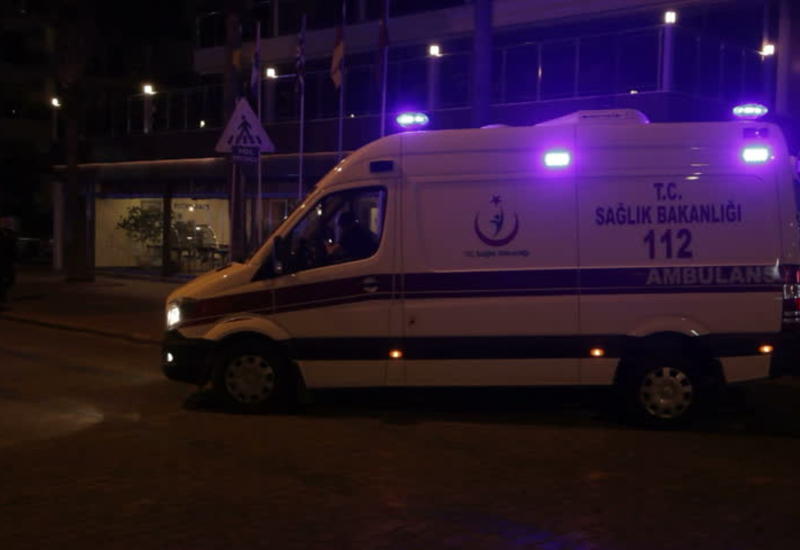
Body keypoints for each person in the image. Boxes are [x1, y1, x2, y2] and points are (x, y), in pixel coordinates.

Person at [0, 221, 17, 304]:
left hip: (7, 261)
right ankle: (2, 296)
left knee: (10, 279)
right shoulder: (5, 237)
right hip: (4, 261)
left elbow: (12, 250)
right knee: (5, 279)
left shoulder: (10, 237)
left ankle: (3, 295)